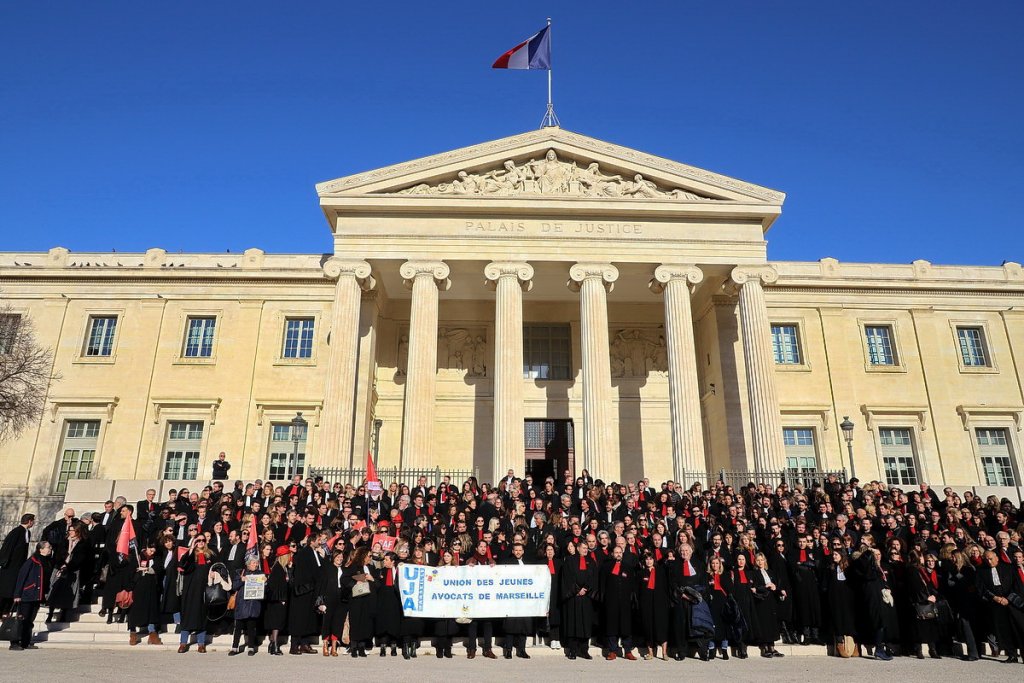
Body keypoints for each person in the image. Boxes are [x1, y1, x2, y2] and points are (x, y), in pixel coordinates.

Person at [8, 541, 53, 651]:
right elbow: (21, 577)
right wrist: (17, 594)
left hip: (37, 596)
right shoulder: (32, 561)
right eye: (48, 547)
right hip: (27, 594)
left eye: (50, 547)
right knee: (22, 619)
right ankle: (14, 642)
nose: (50, 549)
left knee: (30, 620)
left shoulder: (47, 561)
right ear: (40, 549)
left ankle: (25, 642)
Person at [560, 541, 597, 660]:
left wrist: (585, 588)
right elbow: (567, 577)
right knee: (573, 624)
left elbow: (593, 577)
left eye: (587, 548)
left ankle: (584, 650)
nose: (586, 550)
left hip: (586, 597)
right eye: (583, 548)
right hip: (573, 597)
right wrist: (576, 590)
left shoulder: (591, 561)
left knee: (585, 624)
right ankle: (572, 650)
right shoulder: (569, 561)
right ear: (578, 548)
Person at [500, 542, 533, 659]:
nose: (518, 552)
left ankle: (521, 650)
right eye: (516, 550)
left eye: (520, 550)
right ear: (513, 551)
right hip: (511, 599)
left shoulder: (528, 563)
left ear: (523, 551)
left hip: (524, 599)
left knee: (524, 625)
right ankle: (508, 649)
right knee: (510, 625)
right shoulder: (506, 563)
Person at [342, 545, 376, 657]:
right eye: (369, 556)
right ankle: (354, 646)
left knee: (365, 623)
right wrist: (355, 583)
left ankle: (362, 646)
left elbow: (376, 583)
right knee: (355, 621)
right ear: (363, 556)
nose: (370, 558)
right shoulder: (354, 566)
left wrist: (372, 579)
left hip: (368, 599)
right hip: (356, 598)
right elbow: (344, 579)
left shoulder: (371, 568)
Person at [126, 543, 163, 645]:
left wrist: (147, 569)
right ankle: (133, 633)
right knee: (134, 610)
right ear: (146, 548)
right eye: (151, 549)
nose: (152, 552)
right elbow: (131, 571)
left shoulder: (156, 558)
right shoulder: (137, 556)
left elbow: (159, 568)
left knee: (151, 610)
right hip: (138, 587)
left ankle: (152, 633)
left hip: (151, 588)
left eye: (154, 550)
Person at [228, 554, 264, 656]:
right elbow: (234, 586)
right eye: (253, 563)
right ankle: (234, 647)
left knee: (251, 627)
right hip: (241, 604)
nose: (256, 565)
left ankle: (251, 647)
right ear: (248, 564)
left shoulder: (260, 574)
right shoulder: (240, 572)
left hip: (253, 604)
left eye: (257, 563)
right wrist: (241, 580)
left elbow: (265, 590)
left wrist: (264, 583)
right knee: (238, 627)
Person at [0, 514, 35, 617]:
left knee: (13, 589)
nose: (33, 523)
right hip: (10, 566)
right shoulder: (16, 532)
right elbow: (7, 547)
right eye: (32, 521)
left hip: (19, 566)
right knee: (5, 589)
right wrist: (4, 561)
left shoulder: (27, 532)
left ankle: (7, 610)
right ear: (29, 521)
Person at [264, 546, 291, 655]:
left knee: (277, 622)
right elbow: (275, 585)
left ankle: (272, 644)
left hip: (277, 599)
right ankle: (274, 645)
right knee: (276, 623)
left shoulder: (281, 567)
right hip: (277, 600)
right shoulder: (278, 568)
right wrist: (282, 598)